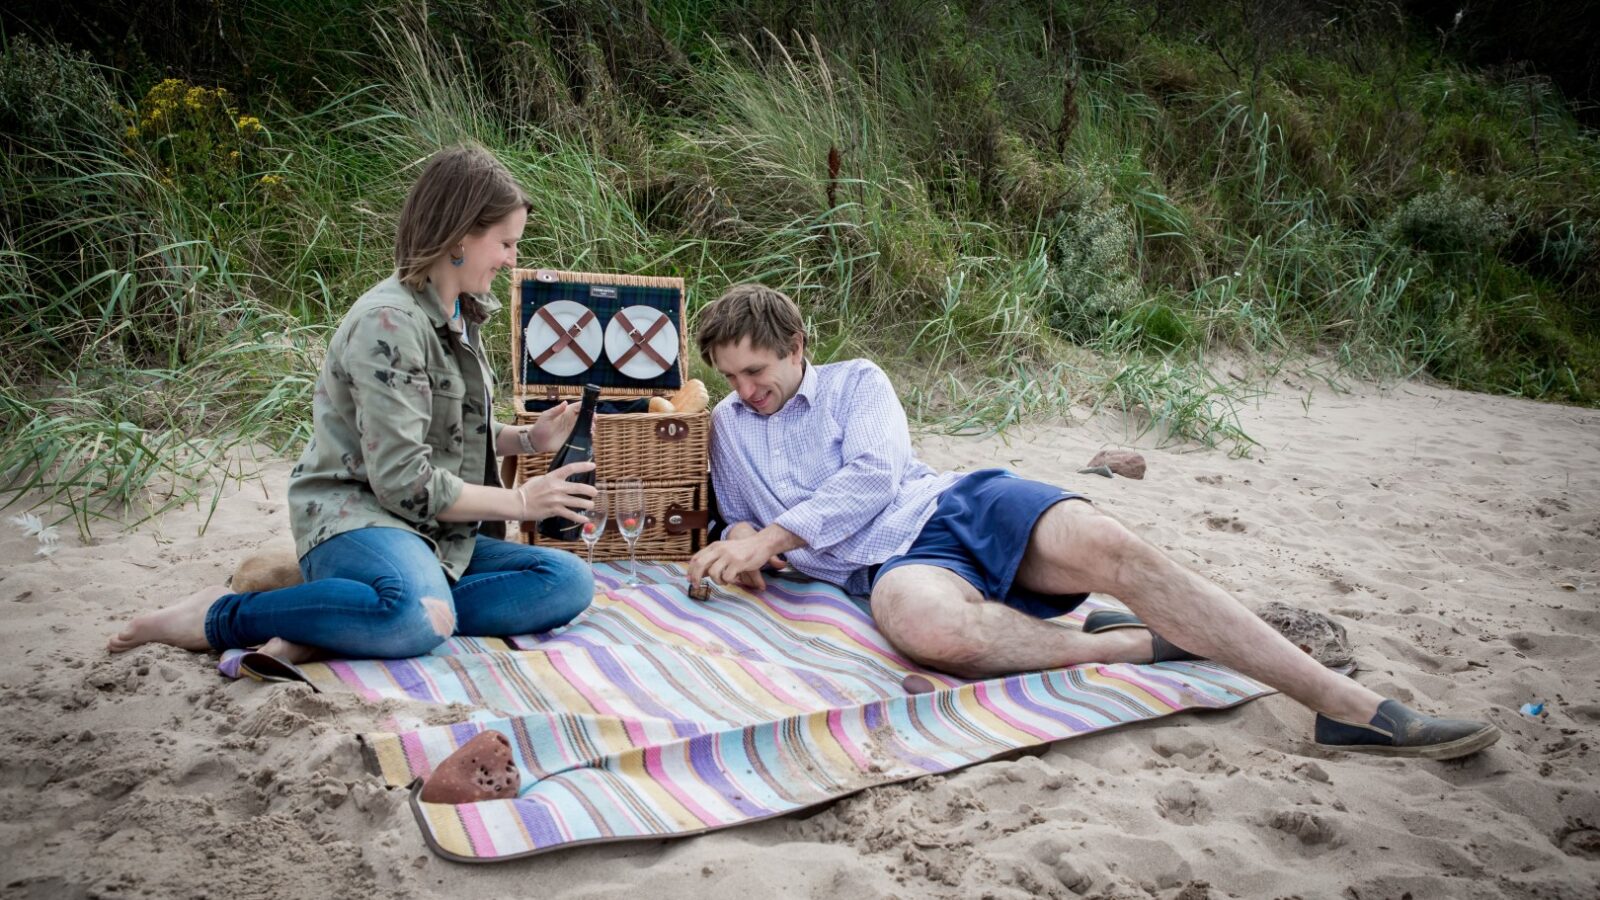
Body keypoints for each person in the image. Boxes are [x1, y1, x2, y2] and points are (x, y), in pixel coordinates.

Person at [686, 283, 1501, 760]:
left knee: (1116, 548)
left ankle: (1347, 708)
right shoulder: (726, 428)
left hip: (951, 503)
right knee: (928, 629)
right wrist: (735, 548)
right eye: (731, 377)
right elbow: (745, 523)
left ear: (796, 344)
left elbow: (870, 477)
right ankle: (1137, 643)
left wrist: (775, 535)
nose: (746, 390)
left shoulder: (860, 381)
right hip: (886, 566)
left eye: (756, 371)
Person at [108, 145, 598, 662]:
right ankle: (220, 615)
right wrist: (521, 503)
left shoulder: (461, 313)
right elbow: (404, 480)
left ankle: (339, 619)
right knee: (413, 617)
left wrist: (526, 439)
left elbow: (442, 427)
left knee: (566, 580)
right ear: (460, 236)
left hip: (433, 534)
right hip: (358, 518)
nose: (512, 259)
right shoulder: (388, 322)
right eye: (505, 243)